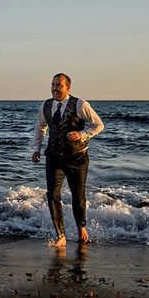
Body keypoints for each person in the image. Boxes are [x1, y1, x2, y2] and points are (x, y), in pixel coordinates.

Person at [31, 73, 104, 247]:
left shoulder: (80, 104)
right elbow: (40, 127)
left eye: (59, 85)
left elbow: (98, 125)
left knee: (78, 196)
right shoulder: (46, 105)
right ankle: (61, 235)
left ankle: (81, 228)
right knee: (52, 194)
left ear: (68, 87)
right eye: (53, 85)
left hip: (77, 158)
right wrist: (36, 149)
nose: (55, 88)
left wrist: (81, 134)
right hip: (54, 157)